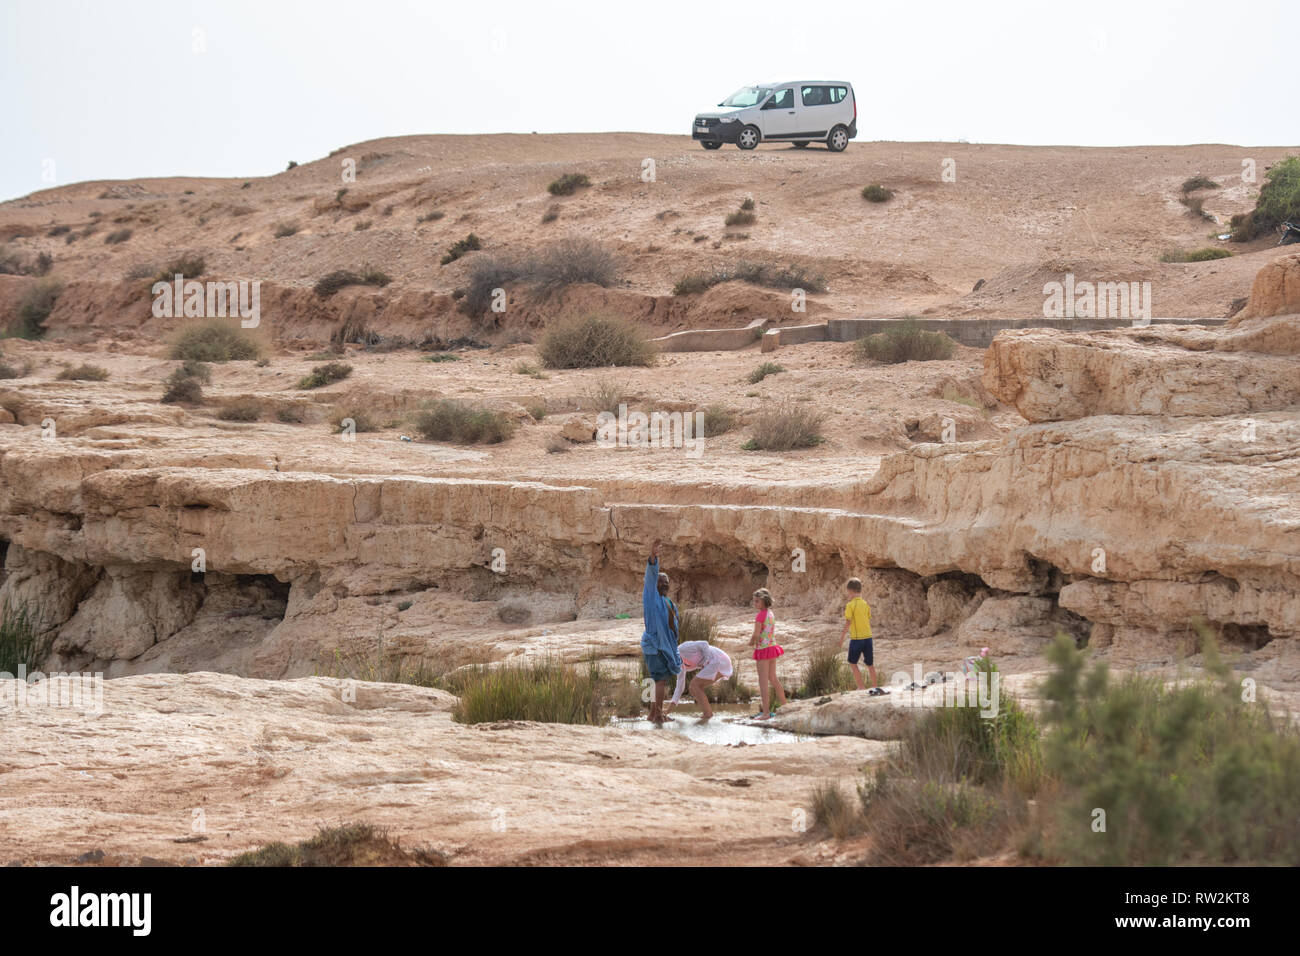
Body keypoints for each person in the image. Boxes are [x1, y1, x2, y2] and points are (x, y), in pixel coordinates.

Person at [640, 539, 682, 724]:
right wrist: (653, 557)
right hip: (655, 645)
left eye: (666, 582)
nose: (664, 585)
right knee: (660, 680)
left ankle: (652, 714)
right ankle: (657, 715)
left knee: (657, 679)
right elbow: (650, 576)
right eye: (661, 582)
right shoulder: (651, 597)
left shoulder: (669, 603)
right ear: (654, 584)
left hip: (663, 647)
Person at [664, 640, 733, 721]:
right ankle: (707, 714)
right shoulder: (678, 665)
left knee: (694, 686)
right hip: (713, 663)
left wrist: (704, 662)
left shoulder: (683, 648)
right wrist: (668, 711)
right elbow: (679, 688)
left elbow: (704, 644)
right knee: (693, 689)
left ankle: (707, 714)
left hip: (719, 659)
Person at [749, 588, 787, 719]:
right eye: (754, 601)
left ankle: (766, 713)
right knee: (773, 679)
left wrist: (750, 642)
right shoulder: (770, 613)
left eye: (757, 601)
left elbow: (756, 634)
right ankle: (785, 707)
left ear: (764, 601)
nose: (755, 603)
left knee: (763, 681)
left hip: (763, 649)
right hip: (772, 647)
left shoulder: (760, 615)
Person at [838, 577, 880, 693]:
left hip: (856, 639)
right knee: (870, 664)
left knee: (852, 662)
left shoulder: (850, 605)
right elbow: (867, 618)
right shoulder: (866, 604)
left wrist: (841, 639)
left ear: (850, 591)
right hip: (868, 638)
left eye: (848, 592)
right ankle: (875, 686)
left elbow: (848, 622)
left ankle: (861, 686)